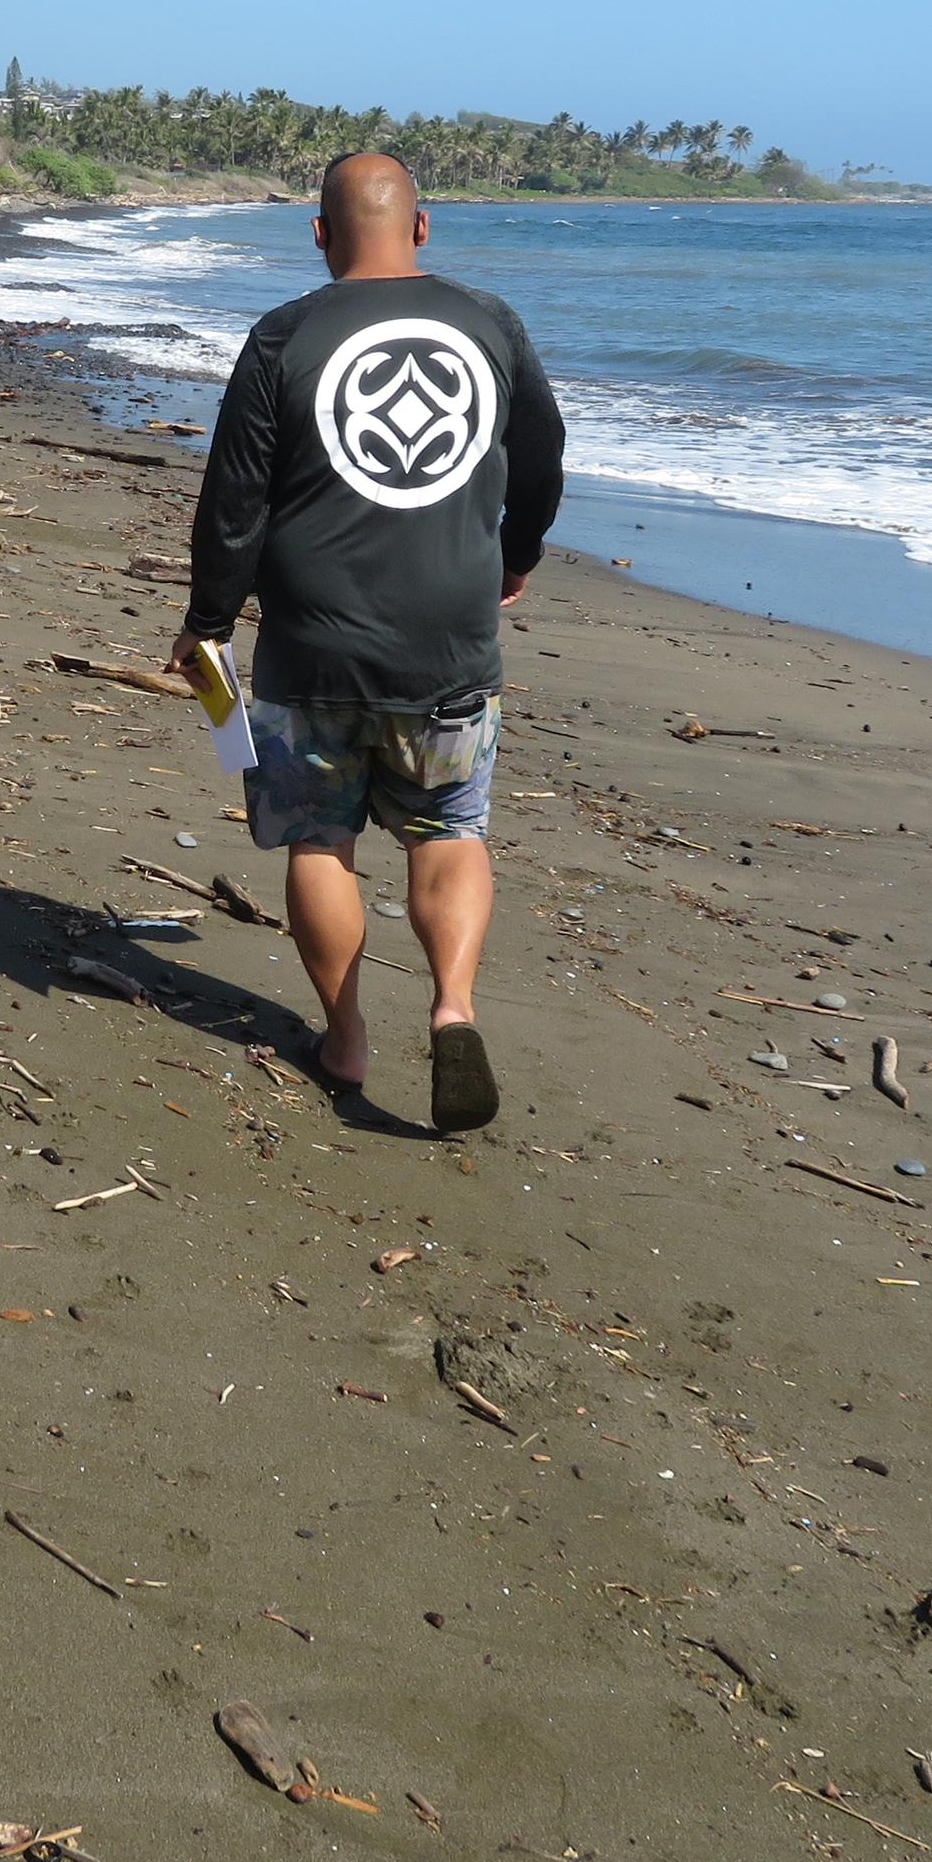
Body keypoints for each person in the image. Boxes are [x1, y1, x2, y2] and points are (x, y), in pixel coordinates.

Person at [170, 152, 564, 1133]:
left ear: (317, 233)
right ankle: (453, 1006)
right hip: (450, 649)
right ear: (422, 228)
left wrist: (209, 624)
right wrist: (516, 557)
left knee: (318, 835)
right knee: (451, 831)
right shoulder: (492, 326)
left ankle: (343, 1034)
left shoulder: (283, 335)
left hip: (310, 650)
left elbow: (233, 506)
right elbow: (543, 460)